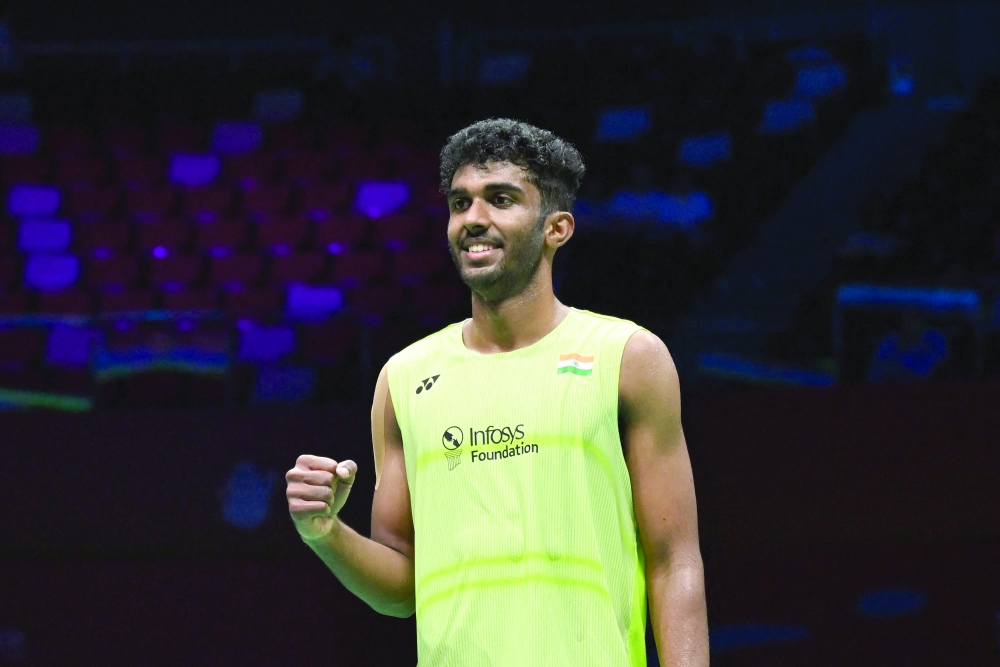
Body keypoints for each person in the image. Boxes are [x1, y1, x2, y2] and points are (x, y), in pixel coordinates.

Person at [285, 119, 708, 666]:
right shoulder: (404, 378)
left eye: (501, 199)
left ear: (557, 228)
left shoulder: (628, 357)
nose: (473, 219)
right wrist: (325, 532)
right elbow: (400, 589)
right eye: (460, 203)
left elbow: (674, 562)